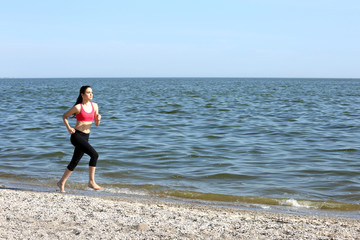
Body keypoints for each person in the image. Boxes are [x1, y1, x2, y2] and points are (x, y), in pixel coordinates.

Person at [57, 85, 103, 193]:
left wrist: (98, 119)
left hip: (86, 137)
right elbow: (64, 116)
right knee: (94, 155)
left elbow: (96, 124)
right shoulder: (78, 107)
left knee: (75, 161)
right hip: (76, 136)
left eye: (92, 92)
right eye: (88, 92)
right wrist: (69, 128)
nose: (91, 94)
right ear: (82, 95)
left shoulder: (95, 106)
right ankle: (91, 182)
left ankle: (61, 182)